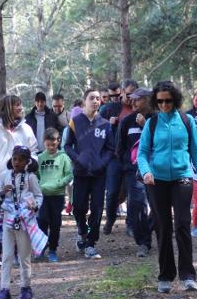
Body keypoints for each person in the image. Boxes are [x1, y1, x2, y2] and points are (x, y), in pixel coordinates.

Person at [137, 81, 197, 294]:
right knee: (163, 227)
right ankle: (165, 275)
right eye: (160, 101)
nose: (164, 104)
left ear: (174, 100)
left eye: (168, 100)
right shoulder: (151, 123)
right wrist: (146, 171)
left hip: (182, 178)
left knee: (183, 226)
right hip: (156, 181)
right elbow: (142, 153)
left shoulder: (186, 121)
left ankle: (188, 276)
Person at [0, 95, 38, 266]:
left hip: (22, 179)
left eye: (20, 105)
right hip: (1, 178)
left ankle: (20, 252)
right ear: (8, 107)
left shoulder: (25, 129)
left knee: (20, 214)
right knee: (1, 215)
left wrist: (31, 163)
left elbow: (33, 150)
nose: (20, 108)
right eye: (17, 105)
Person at [64, 88, 115, 259]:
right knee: (78, 207)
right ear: (84, 101)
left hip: (99, 174)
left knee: (98, 208)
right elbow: (67, 146)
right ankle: (82, 231)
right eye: (92, 98)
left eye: (98, 99)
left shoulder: (105, 124)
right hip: (81, 172)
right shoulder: (75, 121)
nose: (95, 101)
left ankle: (91, 244)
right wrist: (78, 159)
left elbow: (110, 148)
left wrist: (102, 163)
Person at [0, 146, 44, 299]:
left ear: (27, 162)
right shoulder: (4, 175)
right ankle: (4, 289)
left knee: (24, 257)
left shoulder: (31, 178)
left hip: (24, 222)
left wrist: (34, 205)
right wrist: (2, 193)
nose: (16, 162)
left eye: (20, 160)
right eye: (14, 159)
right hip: (8, 221)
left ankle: (25, 288)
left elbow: (39, 196)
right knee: (6, 256)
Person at [115, 87, 154, 257]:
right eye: (132, 99)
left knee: (158, 207)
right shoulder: (127, 121)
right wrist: (126, 169)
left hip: (157, 170)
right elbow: (120, 148)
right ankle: (144, 243)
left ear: (148, 100)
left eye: (138, 99)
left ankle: (151, 229)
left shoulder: (157, 119)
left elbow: (163, 142)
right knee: (137, 204)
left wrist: (146, 126)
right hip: (134, 171)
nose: (133, 102)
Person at [100, 79, 138, 235]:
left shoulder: (138, 109)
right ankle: (110, 219)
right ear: (122, 91)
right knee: (113, 192)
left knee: (133, 193)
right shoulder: (109, 108)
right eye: (127, 94)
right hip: (114, 157)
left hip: (132, 157)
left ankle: (130, 224)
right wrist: (108, 124)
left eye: (133, 95)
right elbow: (97, 128)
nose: (130, 97)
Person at [37, 128, 73, 262]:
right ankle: (40, 248)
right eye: (48, 145)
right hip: (43, 196)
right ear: (44, 143)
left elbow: (69, 175)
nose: (51, 147)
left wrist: (60, 183)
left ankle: (52, 249)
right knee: (42, 221)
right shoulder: (40, 158)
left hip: (57, 195)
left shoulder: (63, 157)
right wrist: (39, 186)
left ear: (58, 141)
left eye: (53, 144)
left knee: (55, 223)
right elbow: (35, 175)